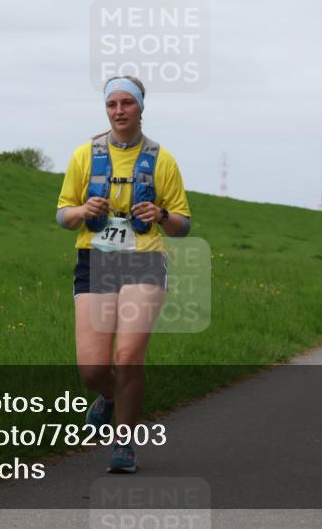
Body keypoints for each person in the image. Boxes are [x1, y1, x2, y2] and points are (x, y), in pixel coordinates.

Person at [56, 75, 191, 474]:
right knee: (93, 369)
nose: (119, 111)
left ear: (141, 107)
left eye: (127, 103)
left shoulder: (161, 159)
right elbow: (62, 215)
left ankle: (124, 442)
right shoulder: (85, 155)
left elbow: (184, 224)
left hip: (143, 261)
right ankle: (110, 398)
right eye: (112, 104)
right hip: (96, 260)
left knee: (128, 357)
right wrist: (83, 211)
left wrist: (162, 215)